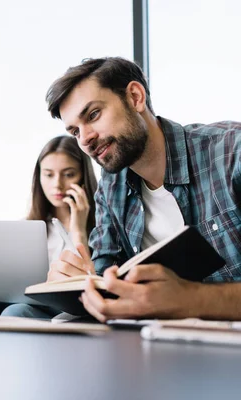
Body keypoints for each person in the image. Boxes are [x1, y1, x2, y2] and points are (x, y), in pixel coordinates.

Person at [45, 56, 241, 322]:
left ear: (136, 97)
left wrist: (187, 299)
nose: (86, 138)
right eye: (75, 131)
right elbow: (106, 277)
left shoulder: (231, 153)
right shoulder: (110, 189)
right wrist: (79, 284)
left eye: (93, 115)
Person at [0, 135, 98, 318]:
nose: (57, 184)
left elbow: (80, 284)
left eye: (68, 174)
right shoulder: (27, 228)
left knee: (15, 312)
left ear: (83, 176)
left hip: (67, 309)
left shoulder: (102, 226)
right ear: (39, 177)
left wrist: (78, 229)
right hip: (26, 301)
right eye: (49, 174)